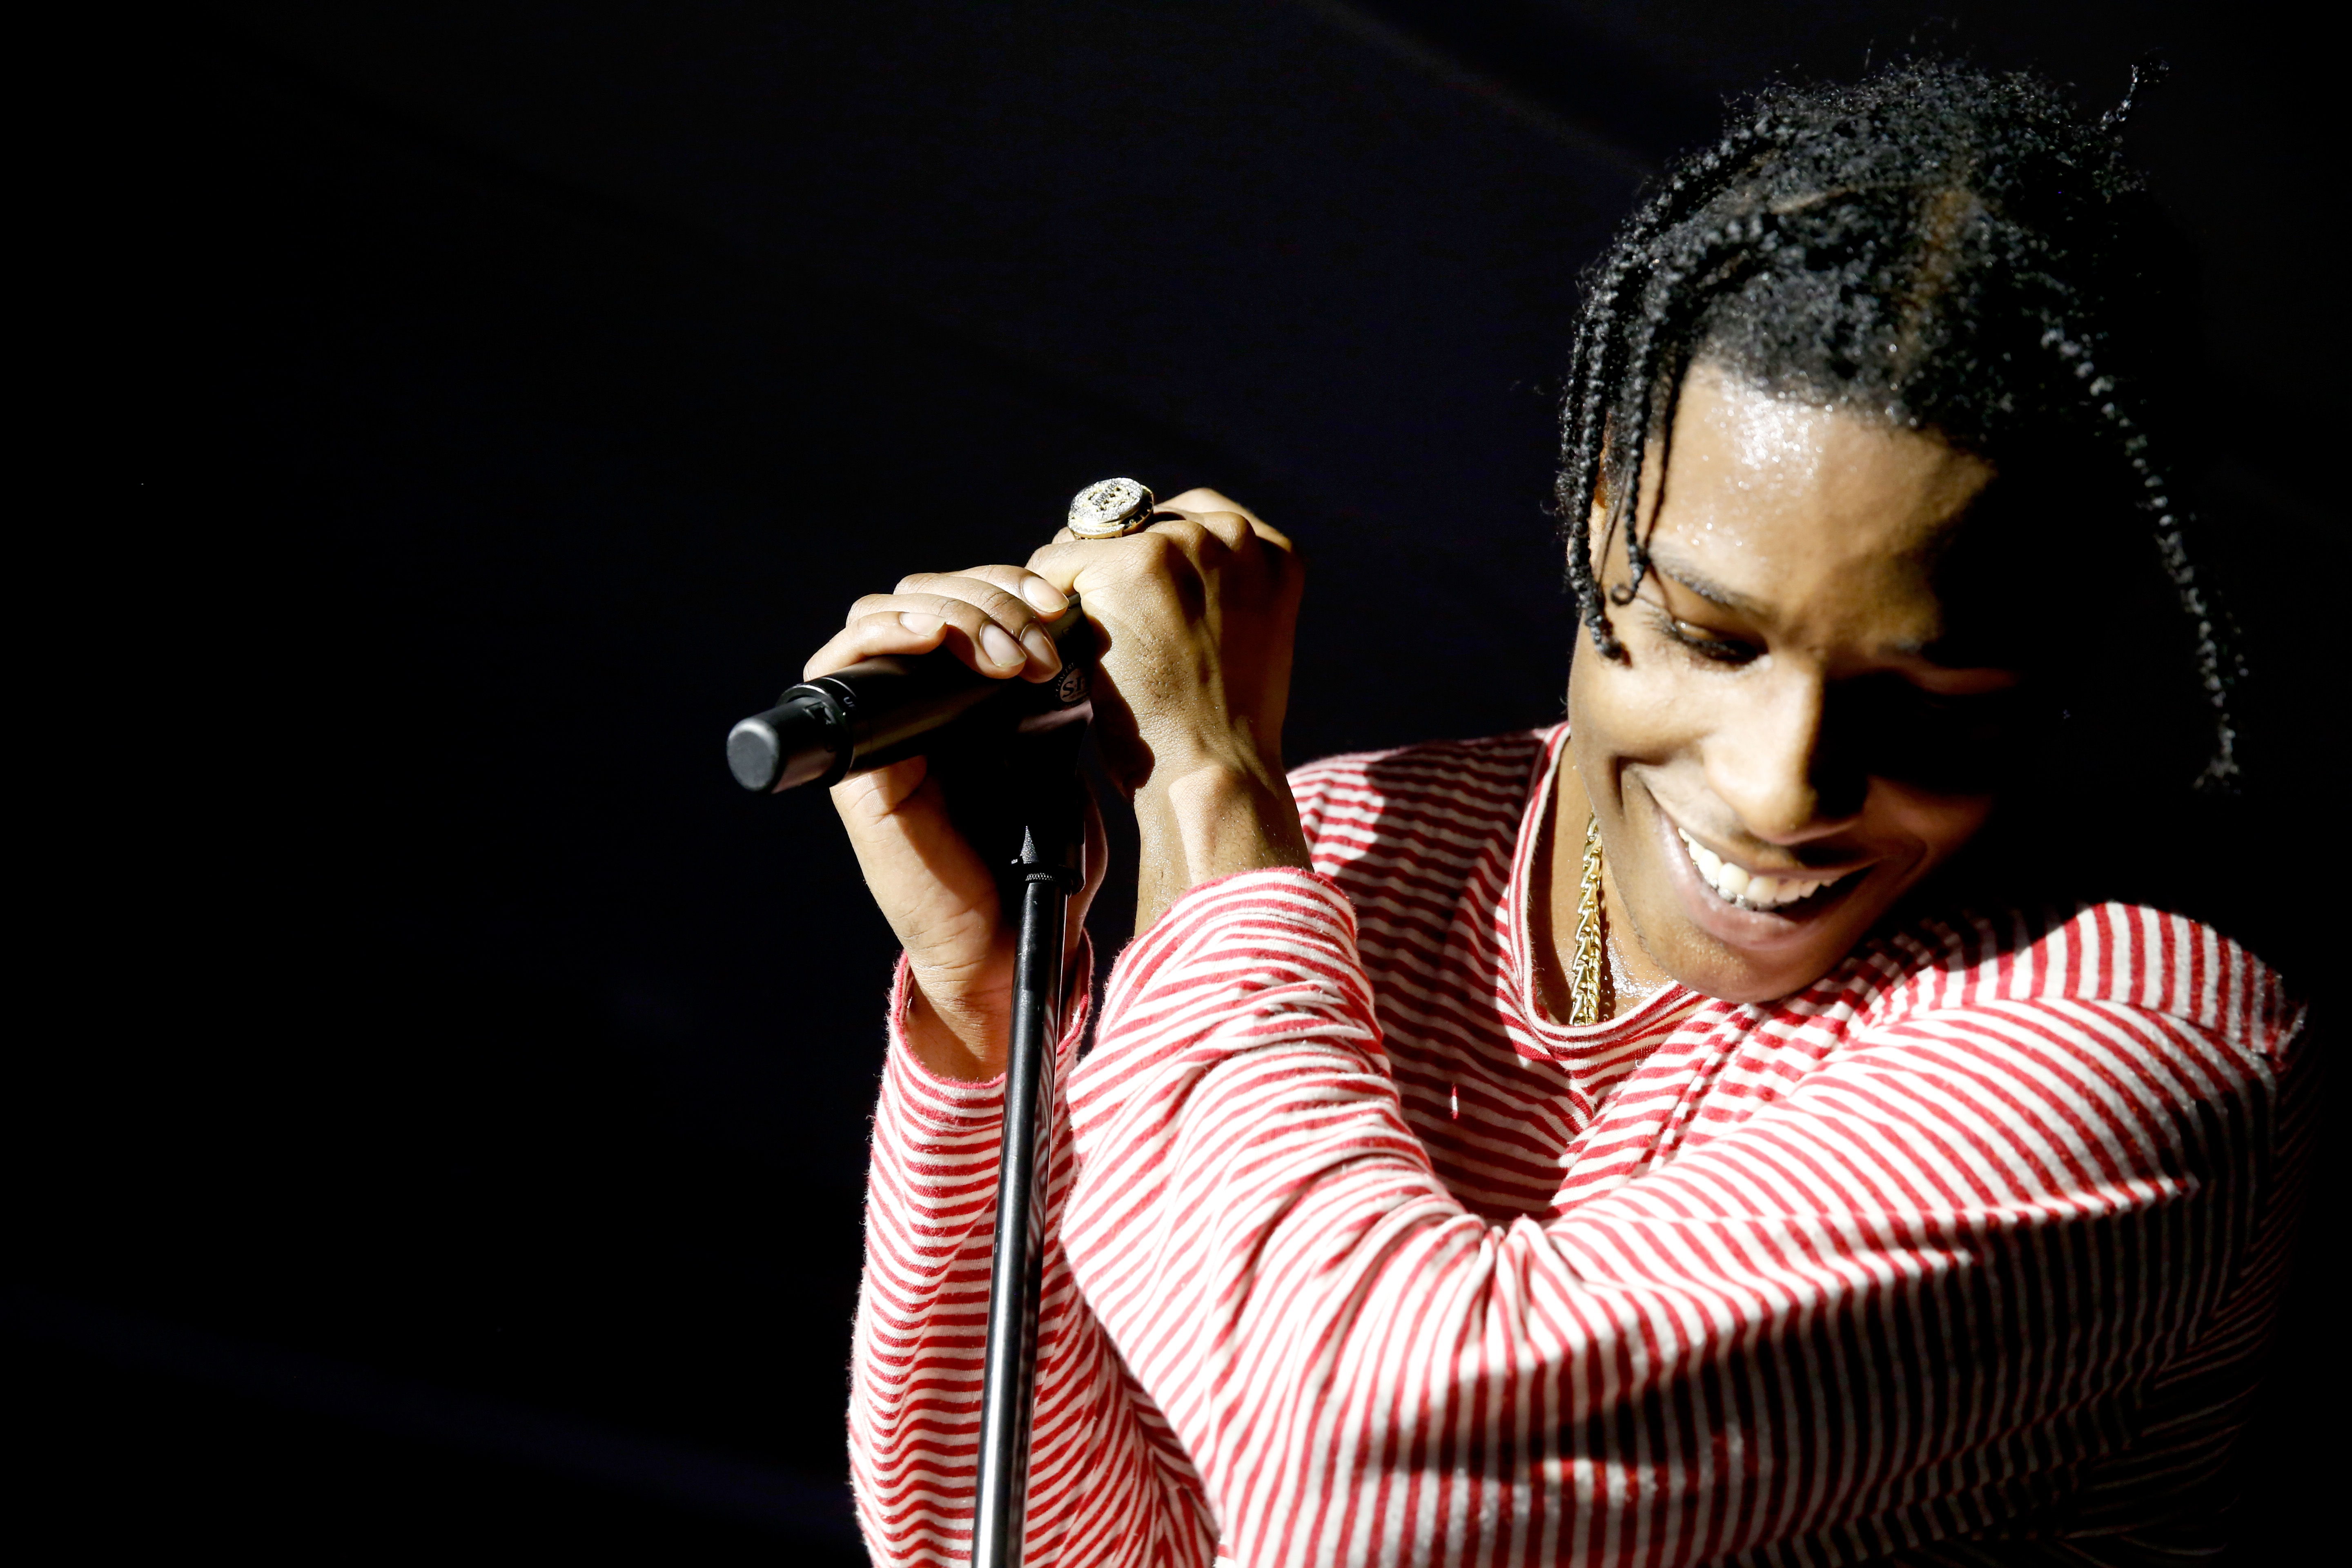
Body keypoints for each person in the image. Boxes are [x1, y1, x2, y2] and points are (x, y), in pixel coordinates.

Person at [812, 62, 2312, 1566]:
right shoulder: (1324, 873)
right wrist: (1002, 1021)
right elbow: (989, 1539)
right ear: (1597, 520)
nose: (1784, 780)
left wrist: (1201, 795)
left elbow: (1378, 1479)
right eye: (1713, 639)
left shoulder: (2142, 1044)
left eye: (1932, 702)